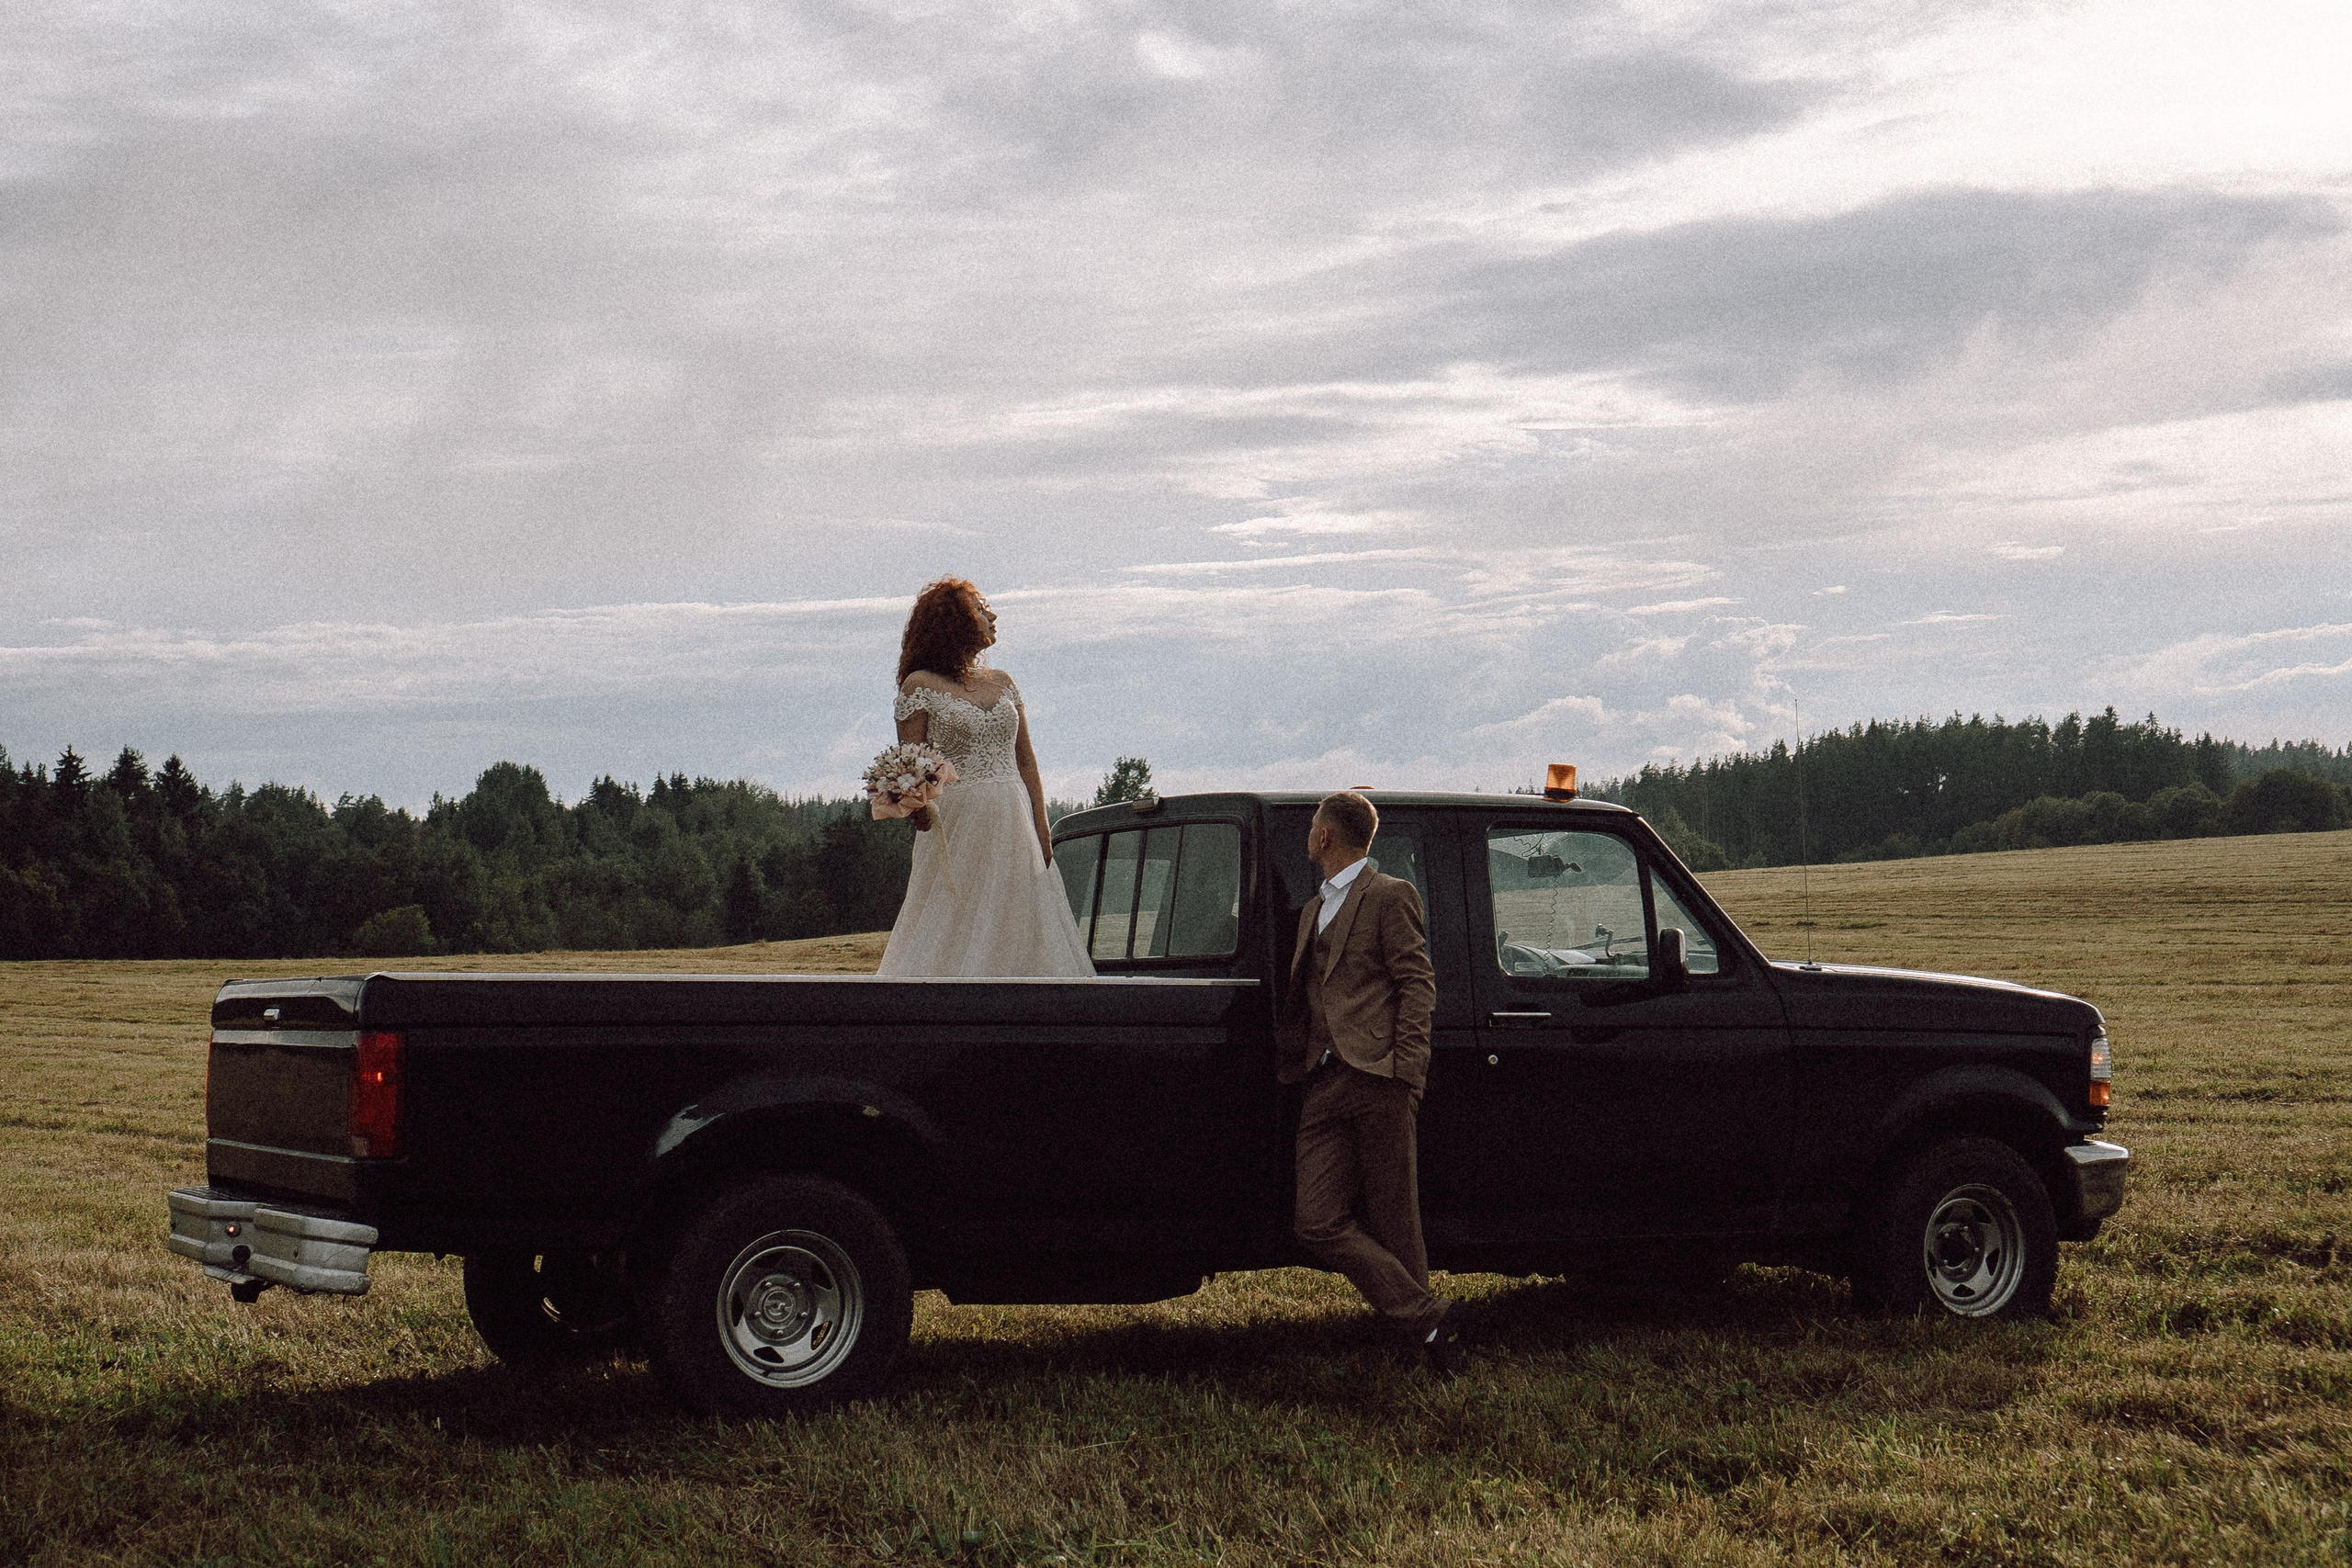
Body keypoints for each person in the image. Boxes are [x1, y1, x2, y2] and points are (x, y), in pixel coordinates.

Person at [1277, 790, 1470, 1376]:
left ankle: (1425, 1348)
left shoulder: (1389, 895)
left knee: (1395, 1215)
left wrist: (1407, 1071)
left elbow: (1417, 983)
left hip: (1379, 1078)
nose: (1310, 834)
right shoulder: (1314, 909)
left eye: (1313, 825)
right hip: (1323, 1080)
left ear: (1327, 836)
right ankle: (1429, 1315)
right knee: (1314, 1221)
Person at [875, 578, 1094, 978]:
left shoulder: (1004, 682)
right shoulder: (920, 685)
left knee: (1018, 911)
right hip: (959, 821)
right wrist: (915, 810)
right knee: (955, 913)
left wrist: (1041, 830)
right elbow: (910, 766)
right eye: (981, 609)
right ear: (953, 622)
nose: (991, 615)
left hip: (1012, 817)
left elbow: (1026, 762)